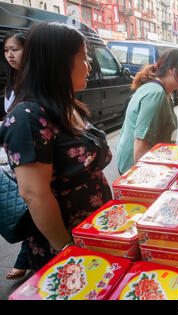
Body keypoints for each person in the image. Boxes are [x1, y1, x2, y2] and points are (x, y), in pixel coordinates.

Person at [0, 22, 113, 271]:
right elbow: (34, 194)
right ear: (59, 63)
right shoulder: (28, 117)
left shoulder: (66, 104)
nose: (90, 65)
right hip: (66, 239)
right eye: (84, 57)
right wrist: (66, 250)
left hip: (92, 228)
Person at [115, 49, 178, 174]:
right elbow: (141, 143)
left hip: (150, 165)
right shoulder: (156, 94)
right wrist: (144, 183)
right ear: (171, 69)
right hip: (135, 171)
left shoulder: (164, 92)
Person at [1, 31, 30, 280]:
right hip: (14, 159)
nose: (10, 55)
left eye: (15, 49)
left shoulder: (33, 83)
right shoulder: (12, 81)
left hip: (28, 159)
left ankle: (23, 259)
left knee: (31, 206)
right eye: (6, 50)